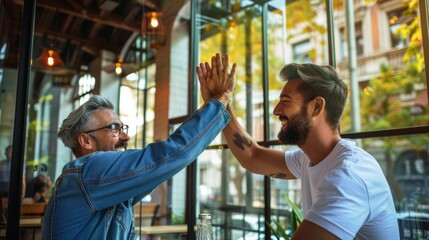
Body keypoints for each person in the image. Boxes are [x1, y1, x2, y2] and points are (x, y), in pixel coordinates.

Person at [197, 56, 399, 239]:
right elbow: (252, 156)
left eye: (286, 101)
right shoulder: (310, 159)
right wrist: (220, 102)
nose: (276, 111)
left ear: (316, 107)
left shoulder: (348, 175)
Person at [41, 53, 236, 240]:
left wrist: (210, 104)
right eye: (114, 128)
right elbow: (170, 154)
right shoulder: (91, 170)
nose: (125, 135)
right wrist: (221, 98)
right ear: (86, 141)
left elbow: (166, 163)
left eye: (122, 127)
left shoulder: (107, 185)